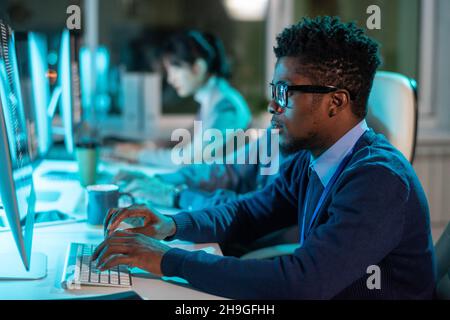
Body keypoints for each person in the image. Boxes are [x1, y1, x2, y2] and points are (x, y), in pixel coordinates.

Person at [92, 17, 436, 299]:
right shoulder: (311, 158)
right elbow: (249, 212)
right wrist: (173, 225)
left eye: (285, 92)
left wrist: (168, 259)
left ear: (337, 102)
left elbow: (302, 281)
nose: (273, 105)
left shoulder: (379, 180)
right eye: (274, 91)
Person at [111, 30, 252, 168]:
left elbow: (189, 158)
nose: (171, 79)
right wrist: (153, 145)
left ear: (198, 68)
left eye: (174, 70)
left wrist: (139, 154)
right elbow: (189, 137)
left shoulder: (225, 106)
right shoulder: (214, 98)